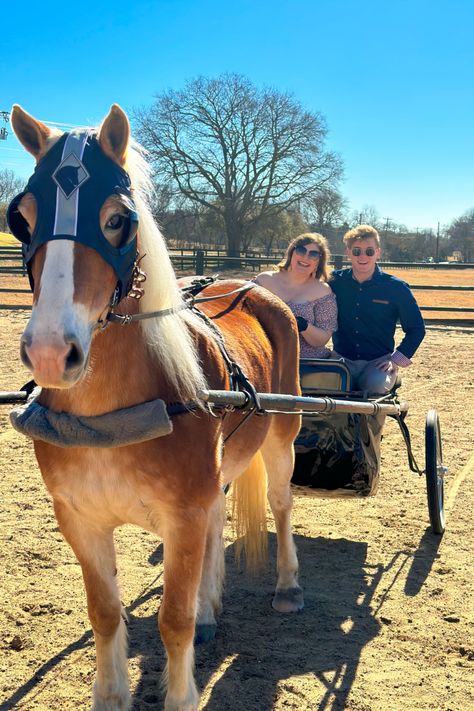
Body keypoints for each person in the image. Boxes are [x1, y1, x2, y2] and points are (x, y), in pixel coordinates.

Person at [330, 224, 426, 393]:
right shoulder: (333, 282)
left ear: (378, 253)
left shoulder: (396, 288)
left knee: (376, 387)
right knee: (324, 388)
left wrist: (396, 360)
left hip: (378, 363)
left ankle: (371, 419)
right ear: (348, 252)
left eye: (369, 251)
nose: (363, 256)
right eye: (357, 251)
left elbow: (416, 329)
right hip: (341, 360)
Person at [254, 233, 337, 358]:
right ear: (292, 253)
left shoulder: (323, 291)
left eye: (313, 254)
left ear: (318, 262)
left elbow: (322, 339)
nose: (306, 257)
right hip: (266, 359)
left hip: (307, 363)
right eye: (301, 250)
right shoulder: (264, 281)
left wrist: (303, 325)